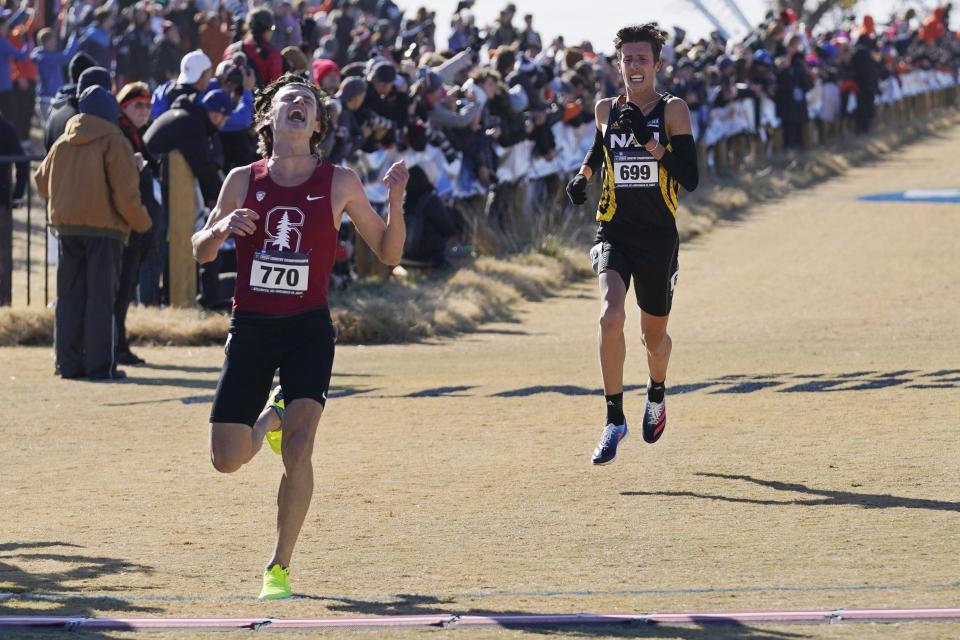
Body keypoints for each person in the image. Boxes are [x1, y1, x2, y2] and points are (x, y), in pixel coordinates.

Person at [191, 74, 407, 599]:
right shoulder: (243, 179)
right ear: (267, 117)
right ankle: (272, 414)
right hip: (252, 329)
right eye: (288, 99)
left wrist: (396, 200)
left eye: (307, 103)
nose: (298, 105)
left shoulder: (340, 181)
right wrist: (221, 229)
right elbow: (199, 249)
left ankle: (279, 567)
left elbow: (388, 252)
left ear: (316, 125)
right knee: (227, 458)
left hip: (308, 328)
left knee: (300, 448)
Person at [565, 23, 699, 464]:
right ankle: (613, 419)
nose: (634, 66)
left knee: (652, 339)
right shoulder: (606, 108)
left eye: (643, 59)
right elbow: (599, 150)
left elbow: (691, 178)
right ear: (618, 64)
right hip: (614, 229)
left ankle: (656, 393)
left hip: (658, 237)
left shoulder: (673, 110)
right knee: (609, 315)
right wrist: (582, 178)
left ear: (658, 65)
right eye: (627, 59)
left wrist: (648, 141)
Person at [34, 86, 152, 380]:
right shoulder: (114, 141)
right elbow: (125, 195)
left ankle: (68, 364)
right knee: (101, 300)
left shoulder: (63, 141)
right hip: (105, 231)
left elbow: (40, 182)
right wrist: (143, 224)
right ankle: (100, 366)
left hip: (66, 228)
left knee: (69, 298)